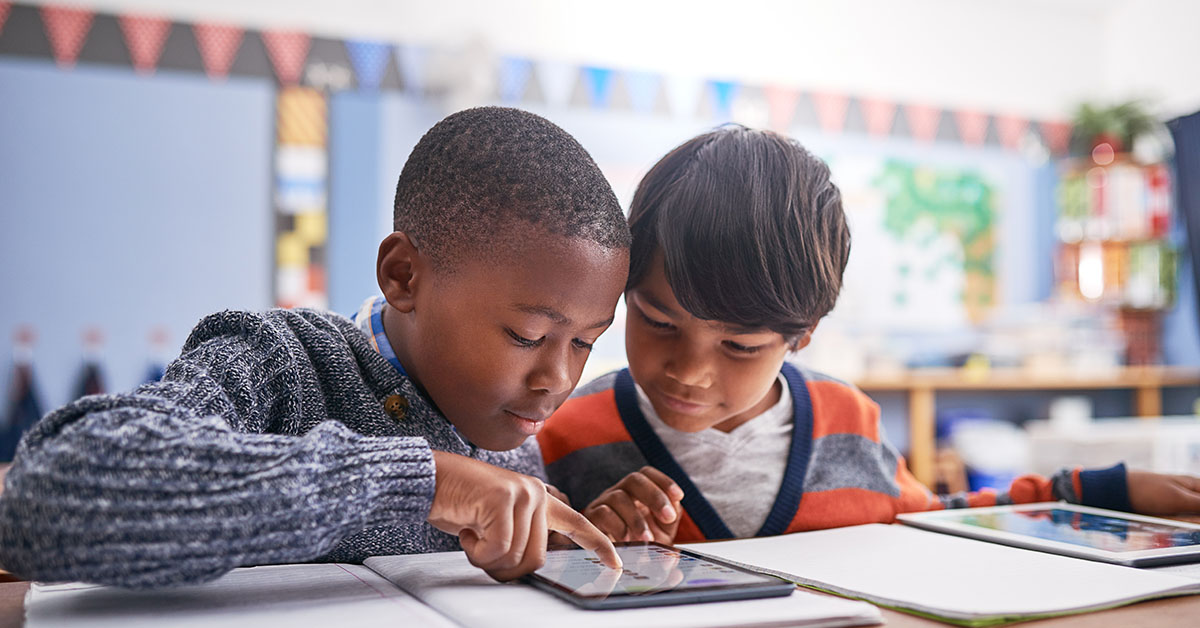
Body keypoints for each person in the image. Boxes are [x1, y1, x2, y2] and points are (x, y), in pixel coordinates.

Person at [0, 107, 626, 587]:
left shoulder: (513, 438)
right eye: (527, 337)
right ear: (404, 276)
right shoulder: (280, 363)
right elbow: (46, 494)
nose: (557, 379)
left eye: (585, 344)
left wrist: (566, 545)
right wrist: (424, 482)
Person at [538, 125, 1200, 544]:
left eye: (739, 346)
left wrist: (1088, 494)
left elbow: (940, 519)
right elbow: (513, 560)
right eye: (657, 321)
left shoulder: (847, 421)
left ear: (803, 335)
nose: (690, 370)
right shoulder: (566, 434)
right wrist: (578, 545)